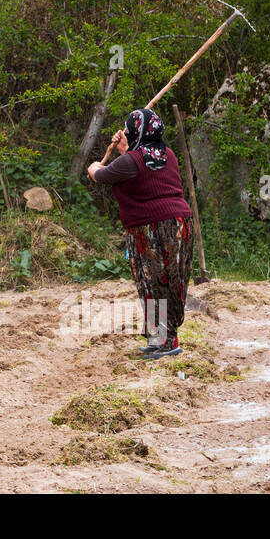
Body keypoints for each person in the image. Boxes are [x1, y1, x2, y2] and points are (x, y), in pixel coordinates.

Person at [87, 108, 193, 359]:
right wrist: (126, 148)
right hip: (179, 224)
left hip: (152, 228)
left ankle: (167, 342)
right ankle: (160, 338)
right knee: (167, 281)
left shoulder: (131, 161)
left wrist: (93, 166)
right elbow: (143, 169)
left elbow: (102, 176)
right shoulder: (168, 154)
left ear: (137, 131)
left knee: (153, 282)